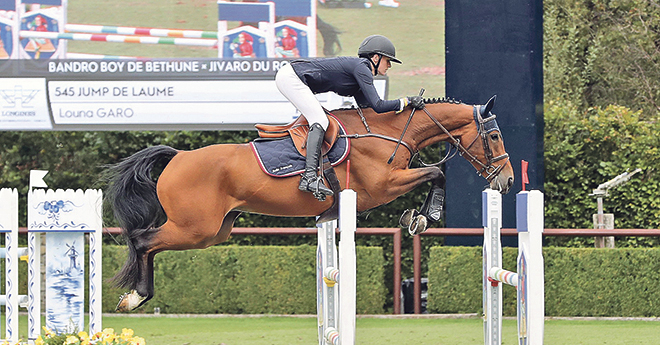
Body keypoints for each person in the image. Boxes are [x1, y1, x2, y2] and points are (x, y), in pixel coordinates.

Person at [275, 34, 424, 200]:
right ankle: (309, 177)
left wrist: (405, 111)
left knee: (321, 119)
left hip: (294, 77)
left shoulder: (360, 72)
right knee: (320, 120)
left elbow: (369, 111)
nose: (389, 65)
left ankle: (310, 176)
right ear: (375, 57)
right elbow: (379, 105)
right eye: (387, 60)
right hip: (291, 77)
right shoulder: (362, 68)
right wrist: (407, 101)